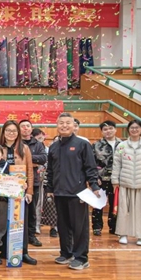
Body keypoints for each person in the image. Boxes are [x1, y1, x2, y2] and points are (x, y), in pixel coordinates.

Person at [46, 112, 100, 270]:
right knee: (63, 226)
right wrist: (50, 189)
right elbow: (50, 170)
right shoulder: (54, 146)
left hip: (78, 193)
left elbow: (90, 167)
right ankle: (66, 253)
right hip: (59, 192)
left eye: (68, 123)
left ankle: (81, 258)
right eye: (61, 123)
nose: (64, 126)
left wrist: (94, 186)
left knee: (79, 227)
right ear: (57, 125)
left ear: (74, 125)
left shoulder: (82, 144)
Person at [0, 120, 36, 265]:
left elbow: (29, 171)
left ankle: (23, 251)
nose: (11, 133)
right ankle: (4, 250)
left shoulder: (24, 148)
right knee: (3, 221)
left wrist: (29, 191)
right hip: (2, 191)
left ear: (18, 133)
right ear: (3, 132)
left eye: (14, 131)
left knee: (21, 222)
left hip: (19, 191)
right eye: (8, 130)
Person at [19, 119, 47, 247]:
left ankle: (31, 235)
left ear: (31, 128)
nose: (25, 128)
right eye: (22, 126)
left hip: (33, 181)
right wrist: (31, 162)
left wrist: (26, 158)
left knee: (32, 211)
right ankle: (18, 235)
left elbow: (43, 158)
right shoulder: (16, 143)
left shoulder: (38, 144)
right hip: (16, 182)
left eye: (28, 126)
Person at [92, 120, 121, 236]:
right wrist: (95, 178)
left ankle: (114, 226)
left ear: (115, 129)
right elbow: (92, 163)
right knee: (98, 203)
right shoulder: (96, 145)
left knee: (115, 203)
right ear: (102, 132)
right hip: (101, 179)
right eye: (105, 129)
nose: (108, 131)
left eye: (110, 128)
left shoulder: (123, 144)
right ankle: (97, 226)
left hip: (118, 180)